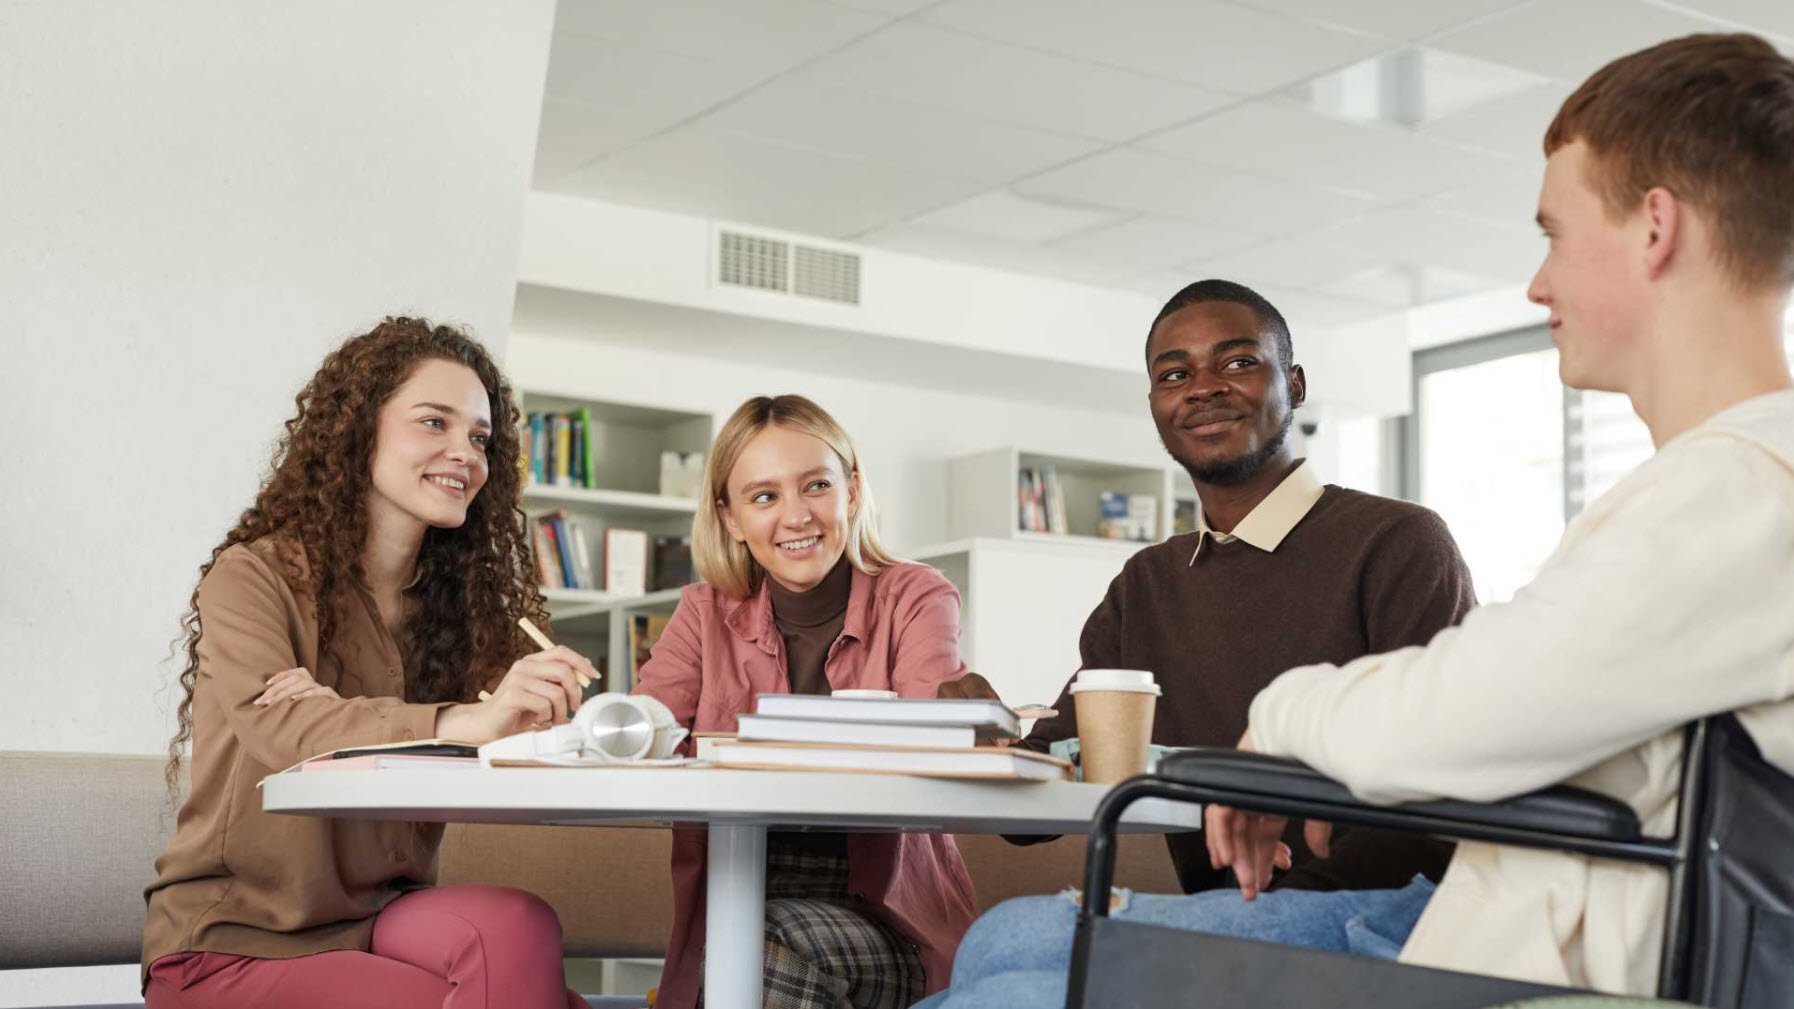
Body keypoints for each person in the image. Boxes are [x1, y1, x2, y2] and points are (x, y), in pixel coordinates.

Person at [928, 31, 1794, 1007]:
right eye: (1173, 371)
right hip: (1499, 927)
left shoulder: (1740, 495)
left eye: (1554, 232)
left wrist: (1277, 731)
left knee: (1000, 992)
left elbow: (1476, 701)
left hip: (1497, 950)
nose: (1537, 284)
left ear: (1654, 228)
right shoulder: (1713, 489)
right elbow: (1510, 687)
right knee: (1005, 949)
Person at [947, 278, 1474, 897]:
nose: (1203, 387)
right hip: (1226, 919)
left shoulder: (1398, 542)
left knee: (1011, 946)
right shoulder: (1148, 584)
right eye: (1174, 375)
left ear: (1294, 384)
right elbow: (1044, 797)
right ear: (1154, 405)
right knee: (1004, 948)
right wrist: (983, 736)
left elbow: (1446, 782)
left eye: (1239, 362)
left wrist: (1281, 912)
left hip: (1372, 910)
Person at [143, 318, 597, 1009]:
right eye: (433, 422)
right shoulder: (253, 578)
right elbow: (284, 730)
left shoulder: (464, 611)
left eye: (480, 437)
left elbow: (517, 736)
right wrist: (464, 720)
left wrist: (539, 710)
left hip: (382, 915)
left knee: (518, 924)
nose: (464, 453)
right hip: (234, 939)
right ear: (360, 432)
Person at [632, 394, 977, 1009]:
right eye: (764, 496)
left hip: (889, 920)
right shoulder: (702, 610)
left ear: (851, 489)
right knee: (750, 954)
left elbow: (935, 742)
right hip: (734, 908)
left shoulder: (917, 597)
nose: (796, 517)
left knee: (752, 958)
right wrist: (598, 724)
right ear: (731, 517)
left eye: (815, 485)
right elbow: (646, 729)